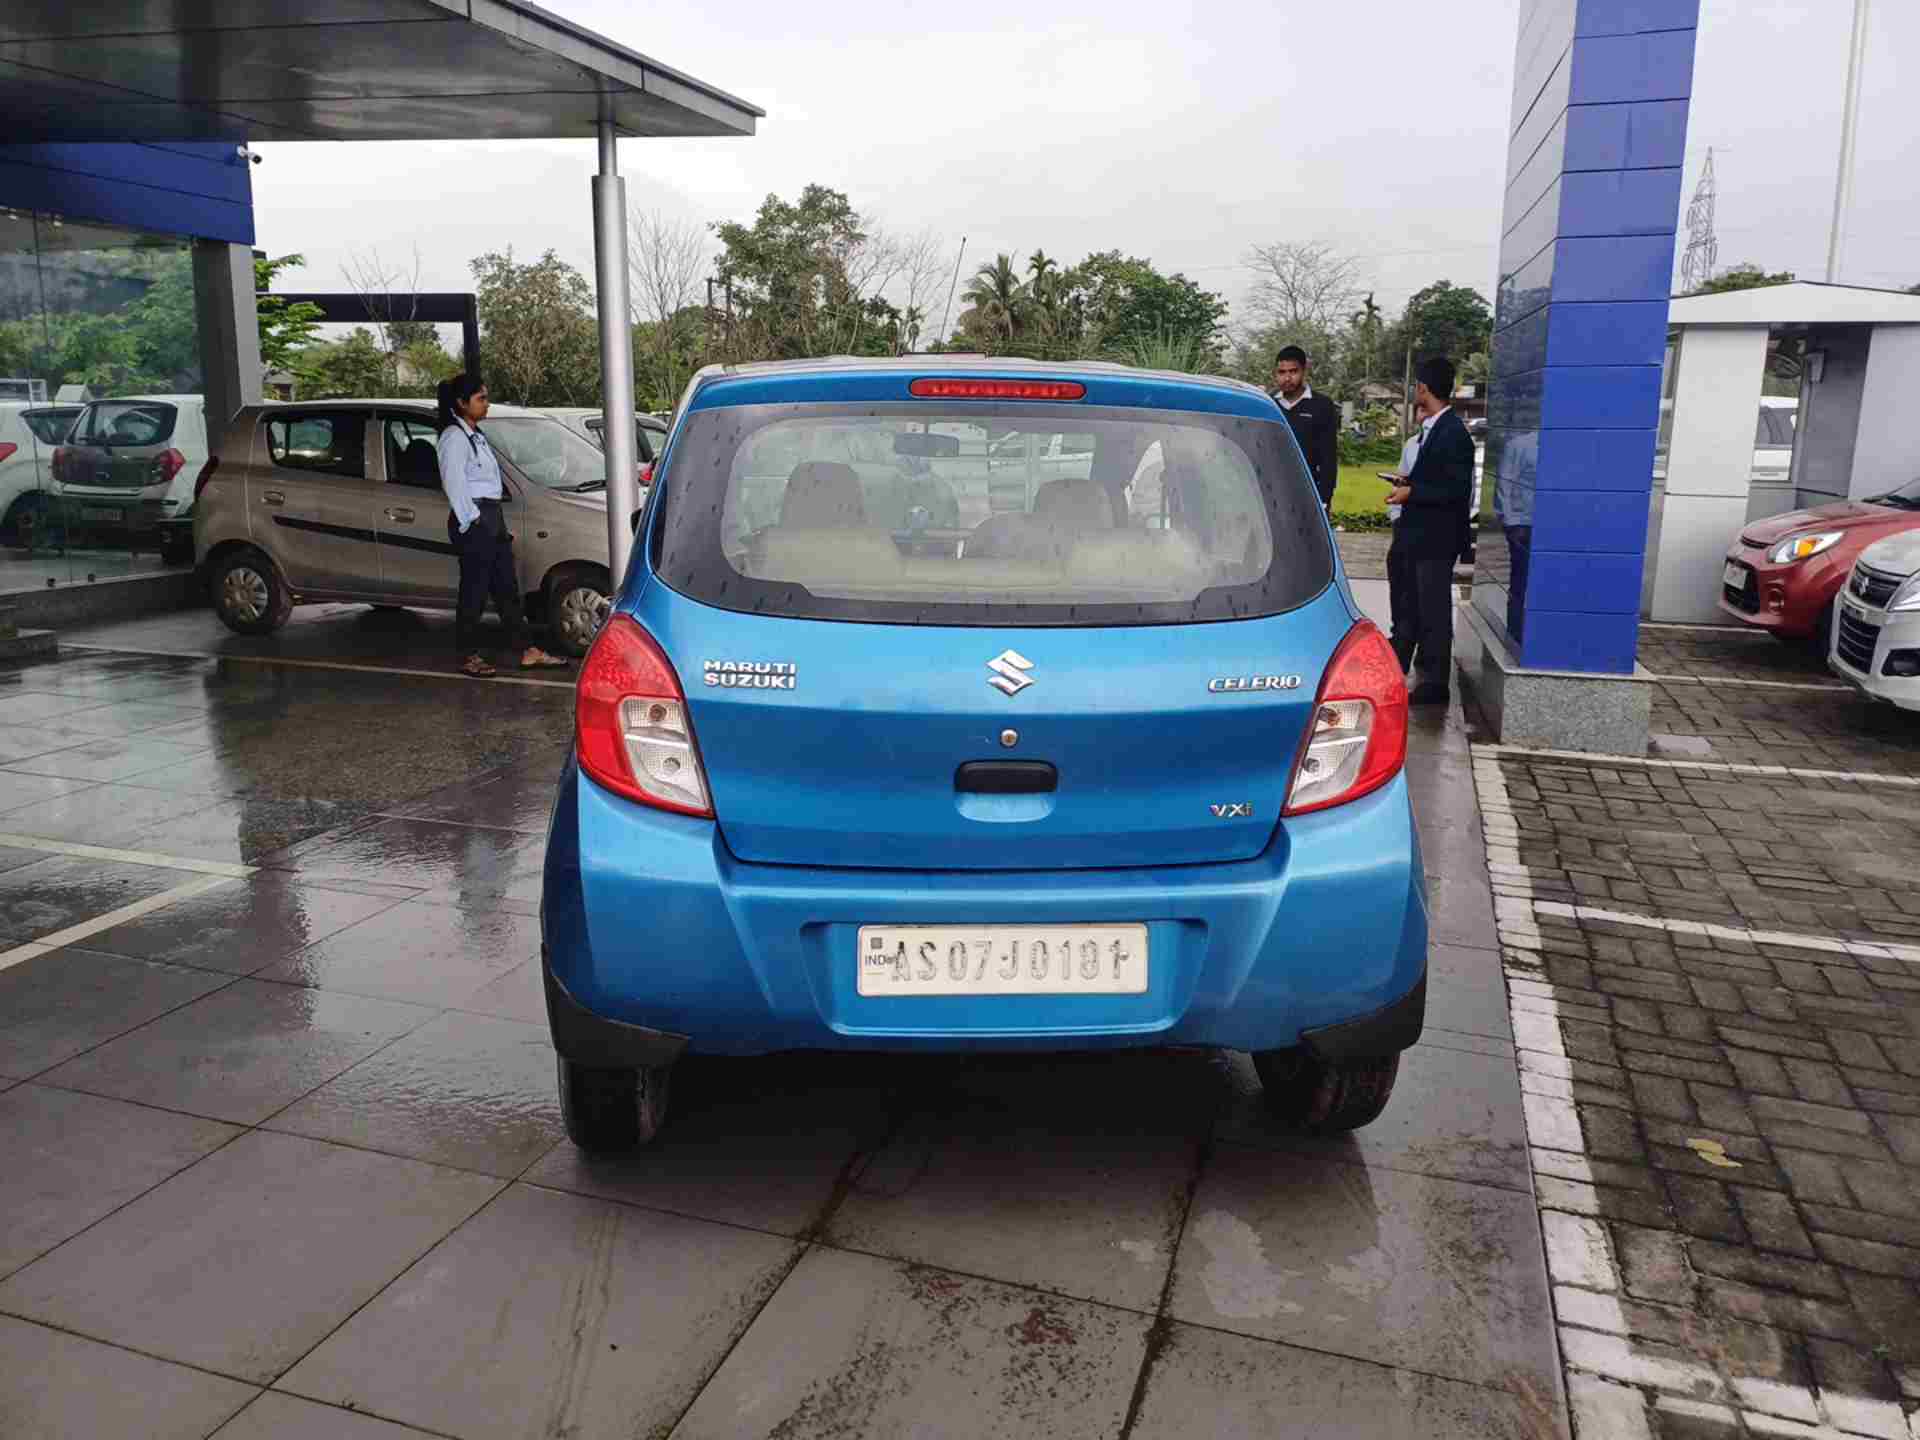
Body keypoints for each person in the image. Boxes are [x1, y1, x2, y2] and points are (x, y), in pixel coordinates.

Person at [435, 374, 569, 676]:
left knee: (507, 588)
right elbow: (454, 483)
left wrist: (493, 523)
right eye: (481, 398)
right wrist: (473, 520)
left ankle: (527, 650)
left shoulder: (476, 435)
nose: (487, 404)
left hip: (491, 515)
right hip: (476, 518)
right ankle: (467, 654)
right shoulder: (454, 438)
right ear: (462, 403)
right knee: (475, 591)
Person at [1385, 356, 1474, 705]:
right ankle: (1400, 667)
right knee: (1410, 605)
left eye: (1416, 386)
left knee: (1434, 611)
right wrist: (1408, 484)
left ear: (1423, 388)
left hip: (1436, 541)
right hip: (1417, 538)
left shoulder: (1453, 433)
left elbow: (1455, 491)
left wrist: (1412, 493)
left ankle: (1435, 684)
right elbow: (1437, 479)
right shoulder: (1435, 429)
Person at [1270, 345, 1339, 508]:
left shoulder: (1322, 405)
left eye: (1293, 371)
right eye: (1282, 372)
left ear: (1304, 371)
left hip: (1310, 493)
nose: (1287, 378)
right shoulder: (1269, 404)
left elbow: (1329, 457)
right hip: (1273, 491)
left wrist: (1324, 499)